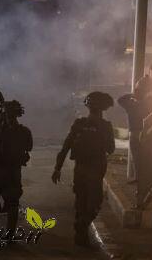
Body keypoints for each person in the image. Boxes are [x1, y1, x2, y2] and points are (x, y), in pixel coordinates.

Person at [52, 92, 115, 247]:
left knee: (81, 200)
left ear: (88, 107)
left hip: (79, 168)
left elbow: (66, 146)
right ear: (103, 109)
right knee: (95, 202)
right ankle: (82, 226)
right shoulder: (106, 126)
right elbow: (111, 149)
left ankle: (81, 235)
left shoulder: (79, 123)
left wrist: (57, 168)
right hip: (96, 168)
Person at [0, 100, 32, 237]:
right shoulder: (24, 131)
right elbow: (29, 148)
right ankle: (10, 235)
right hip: (14, 171)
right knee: (13, 203)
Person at [118, 93, 145, 183]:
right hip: (143, 133)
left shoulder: (131, 106)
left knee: (136, 156)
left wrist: (131, 95)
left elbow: (120, 100)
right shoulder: (142, 105)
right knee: (141, 156)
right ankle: (141, 176)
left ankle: (137, 177)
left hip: (134, 133)